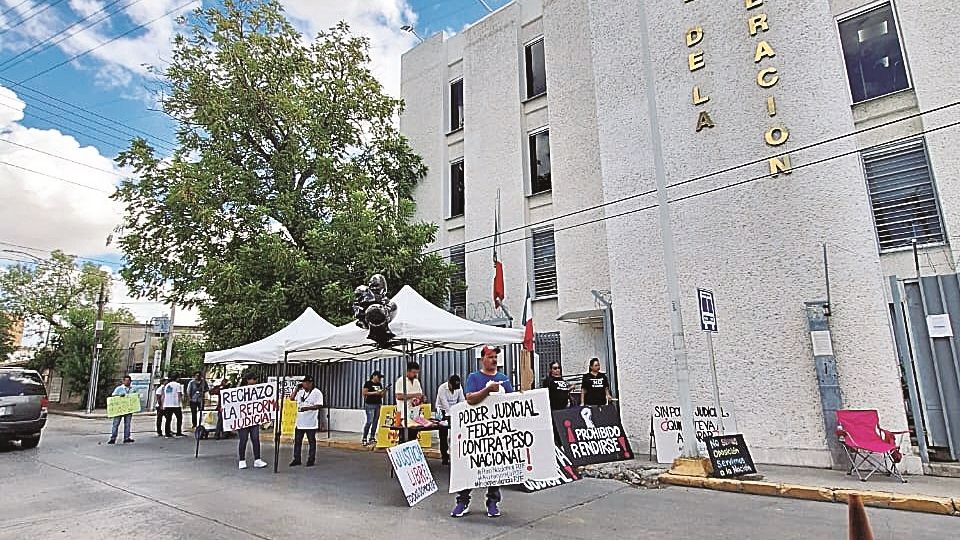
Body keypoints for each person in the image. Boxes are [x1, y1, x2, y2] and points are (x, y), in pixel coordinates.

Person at [452, 345, 514, 519]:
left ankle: (492, 502)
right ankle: (462, 502)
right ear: (482, 359)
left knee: (494, 468)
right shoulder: (474, 377)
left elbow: (513, 401)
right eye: (490, 357)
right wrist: (487, 390)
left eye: (495, 357)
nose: (494, 360)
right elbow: (470, 398)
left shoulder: (504, 378)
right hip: (475, 432)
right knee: (470, 467)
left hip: (497, 432)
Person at [289, 375, 323, 467]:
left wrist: (307, 408)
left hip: (310, 423)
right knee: (297, 441)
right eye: (303, 382)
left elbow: (319, 405)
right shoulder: (300, 392)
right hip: (300, 422)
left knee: (311, 441)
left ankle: (311, 459)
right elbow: (291, 398)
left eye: (306, 383)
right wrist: (296, 389)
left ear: (310, 383)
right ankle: (297, 459)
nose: (304, 384)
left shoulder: (317, 392)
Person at [237, 372, 268, 469]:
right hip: (243, 419)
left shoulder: (257, 390)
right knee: (243, 439)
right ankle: (242, 460)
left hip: (254, 419)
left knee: (255, 439)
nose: (255, 381)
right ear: (248, 380)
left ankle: (257, 460)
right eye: (254, 379)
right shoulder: (239, 391)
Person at [435, 374, 464, 465]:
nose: (455, 389)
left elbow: (462, 400)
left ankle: (457, 454)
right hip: (442, 410)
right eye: (453, 386)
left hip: (454, 409)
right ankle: (444, 455)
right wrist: (451, 415)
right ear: (449, 383)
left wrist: (460, 411)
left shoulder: (459, 388)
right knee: (443, 434)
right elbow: (445, 404)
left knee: (457, 432)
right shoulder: (442, 389)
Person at [394, 361, 424, 443]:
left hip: (415, 414)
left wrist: (421, 398)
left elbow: (420, 394)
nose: (415, 375)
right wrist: (414, 395)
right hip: (404, 414)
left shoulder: (417, 381)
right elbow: (398, 396)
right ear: (408, 371)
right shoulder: (400, 381)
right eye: (414, 372)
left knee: (413, 439)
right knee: (404, 439)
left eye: (417, 373)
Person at [108, 375, 136, 445]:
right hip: (119, 409)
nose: (127, 382)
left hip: (128, 409)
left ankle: (126, 438)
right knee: (116, 424)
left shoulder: (132, 389)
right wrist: (119, 396)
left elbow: (135, 397)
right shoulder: (119, 388)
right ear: (123, 381)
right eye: (126, 380)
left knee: (127, 424)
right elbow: (113, 396)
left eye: (128, 381)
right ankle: (113, 438)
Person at [361, 371, 386, 446]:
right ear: (374, 376)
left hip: (378, 404)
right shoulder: (368, 383)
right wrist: (375, 393)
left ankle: (372, 437)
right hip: (370, 404)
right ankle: (364, 438)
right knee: (369, 421)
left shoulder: (379, 384)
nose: (379, 379)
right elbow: (364, 393)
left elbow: (381, 395)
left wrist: (383, 392)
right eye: (378, 377)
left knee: (375, 421)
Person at [162, 373, 185, 437]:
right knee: (179, 418)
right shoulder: (178, 385)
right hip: (175, 404)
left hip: (167, 404)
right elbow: (179, 394)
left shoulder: (167, 385)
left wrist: (164, 404)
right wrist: (182, 403)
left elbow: (164, 395)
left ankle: (167, 433)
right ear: (177, 378)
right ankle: (178, 432)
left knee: (168, 419)